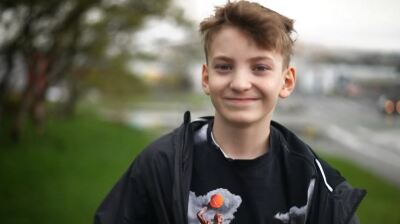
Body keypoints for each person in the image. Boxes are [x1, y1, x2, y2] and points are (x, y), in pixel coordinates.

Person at [94, 1, 366, 223]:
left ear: (286, 82)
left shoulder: (314, 182)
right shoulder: (162, 164)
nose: (239, 83)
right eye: (224, 67)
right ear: (206, 77)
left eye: (259, 67)